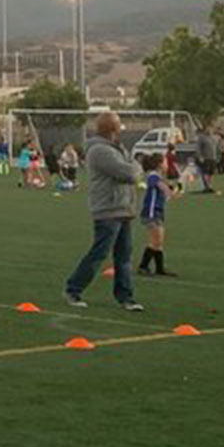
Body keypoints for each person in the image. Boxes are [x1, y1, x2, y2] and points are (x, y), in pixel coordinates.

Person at [63, 112, 147, 312]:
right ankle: (73, 289)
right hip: (108, 209)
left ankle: (126, 297)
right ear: (112, 130)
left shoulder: (117, 149)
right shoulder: (100, 151)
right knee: (99, 253)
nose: (120, 131)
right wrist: (136, 165)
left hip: (123, 208)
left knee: (124, 256)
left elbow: (130, 170)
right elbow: (129, 173)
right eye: (118, 127)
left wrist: (133, 166)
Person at [135, 153, 179, 278]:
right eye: (165, 162)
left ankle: (160, 269)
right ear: (159, 164)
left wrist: (172, 193)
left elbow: (166, 195)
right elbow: (164, 189)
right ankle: (143, 266)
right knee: (156, 240)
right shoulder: (153, 176)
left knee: (159, 242)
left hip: (158, 212)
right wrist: (172, 192)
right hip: (151, 212)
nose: (167, 164)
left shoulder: (159, 177)